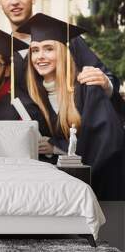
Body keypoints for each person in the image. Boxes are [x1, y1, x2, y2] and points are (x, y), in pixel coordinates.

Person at [0, 0, 124, 116]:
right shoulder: (3, 53)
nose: (14, 1)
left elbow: (107, 81)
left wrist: (105, 83)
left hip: (79, 133)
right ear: (0, 3)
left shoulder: (67, 39)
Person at [18, 13, 124, 200]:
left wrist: (57, 147)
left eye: (49, 49)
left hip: (102, 191)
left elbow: (105, 142)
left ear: (62, 52)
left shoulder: (87, 88)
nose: (40, 57)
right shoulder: (35, 96)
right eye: (35, 50)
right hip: (64, 192)